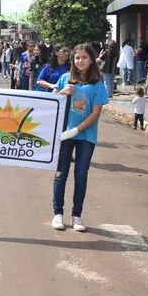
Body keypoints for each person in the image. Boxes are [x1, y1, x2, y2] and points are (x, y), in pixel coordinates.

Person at [51, 44, 108, 232]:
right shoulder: (65, 79)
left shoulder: (98, 84)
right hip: (63, 135)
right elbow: (50, 103)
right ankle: (57, 214)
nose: (80, 61)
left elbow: (96, 112)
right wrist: (61, 93)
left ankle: (77, 216)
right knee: (61, 173)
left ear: (91, 59)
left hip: (86, 136)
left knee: (81, 176)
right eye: (77, 57)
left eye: (84, 57)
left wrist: (77, 130)